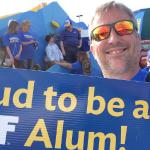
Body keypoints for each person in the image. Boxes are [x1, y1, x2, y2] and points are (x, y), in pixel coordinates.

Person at [89, 1, 149, 81]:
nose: (114, 39)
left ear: (138, 39)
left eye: (124, 28)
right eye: (101, 33)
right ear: (93, 51)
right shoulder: (79, 92)